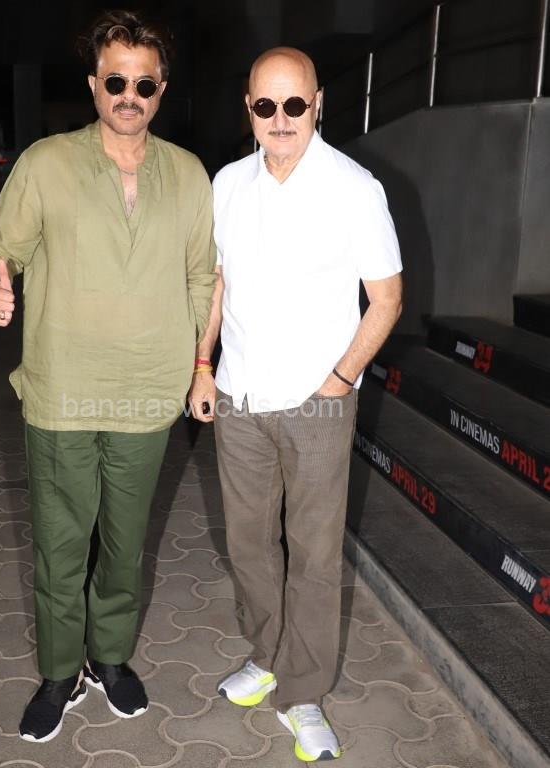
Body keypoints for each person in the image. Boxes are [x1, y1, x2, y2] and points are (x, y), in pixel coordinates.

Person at [0, 9, 216, 744]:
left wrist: (200, 367)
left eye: (143, 83)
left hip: (149, 395)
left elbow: (202, 279)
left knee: (125, 543)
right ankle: (58, 671)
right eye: (115, 82)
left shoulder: (188, 174)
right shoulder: (46, 162)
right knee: (60, 544)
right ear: (93, 85)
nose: (128, 96)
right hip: (62, 392)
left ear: (161, 89)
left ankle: (108, 657)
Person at [189, 47, 402, 762]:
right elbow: (217, 283)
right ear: (247, 109)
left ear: (317, 105)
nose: (279, 119)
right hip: (240, 396)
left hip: (318, 403)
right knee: (248, 545)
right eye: (264, 105)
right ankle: (267, 655)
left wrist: (339, 379)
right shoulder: (227, 183)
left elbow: (386, 298)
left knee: (311, 554)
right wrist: (202, 366)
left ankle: (303, 692)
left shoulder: (355, 188)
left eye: (293, 104)